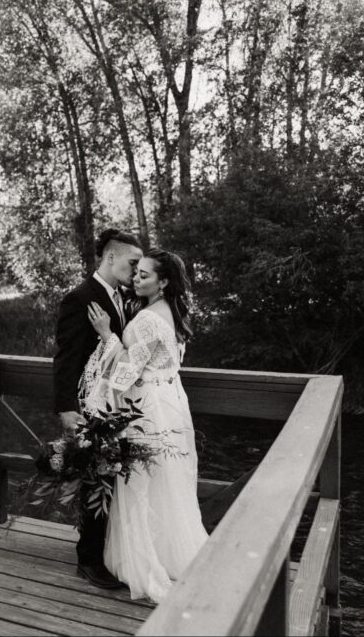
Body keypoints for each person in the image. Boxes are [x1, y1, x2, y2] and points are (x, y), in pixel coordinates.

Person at [81, 248, 209, 602]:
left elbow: (124, 375)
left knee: (142, 483)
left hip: (147, 406)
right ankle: (172, 554)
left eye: (146, 275)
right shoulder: (169, 311)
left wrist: (107, 334)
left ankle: (144, 561)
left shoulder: (151, 319)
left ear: (164, 282)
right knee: (167, 483)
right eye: (136, 273)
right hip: (170, 401)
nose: (136, 278)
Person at [53, 228, 143, 590]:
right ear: (110, 257)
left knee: (108, 475)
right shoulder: (80, 298)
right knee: (96, 476)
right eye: (132, 262)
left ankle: (101, 551)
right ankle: (88, 560)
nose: (136, 271)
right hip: (89, 403)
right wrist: (66, 409)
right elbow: (66, 358)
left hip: (113, 402)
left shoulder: (120, 296)